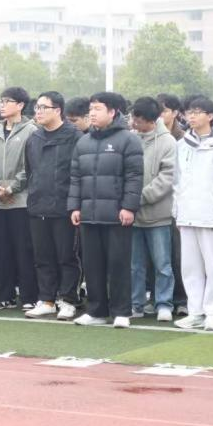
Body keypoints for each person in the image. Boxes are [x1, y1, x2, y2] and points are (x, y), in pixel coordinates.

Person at [68, 92, 144, 328]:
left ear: (112, 112)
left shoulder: (128, 140)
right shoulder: (83, 142)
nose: (92, 113)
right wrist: (75, 206)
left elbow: (134, 176)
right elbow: (76, 177)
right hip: (89, 214)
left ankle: (121, 311)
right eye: (91, 109)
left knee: (119, 264)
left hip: (117, 215)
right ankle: (96, 311)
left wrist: (129, 207)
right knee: (92, 265)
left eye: (98, 109)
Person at [171, 96, 213, 332]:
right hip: (187, 214)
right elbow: (177, 182)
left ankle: (212, 312)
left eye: (197, 112)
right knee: (190, 267)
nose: (192, 116)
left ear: (210, 116)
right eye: (189, 112)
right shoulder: (181, 145)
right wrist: (177, 212)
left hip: (211, 216)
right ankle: (195, 312)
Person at [23, 92, 82, 320]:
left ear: (58, 110)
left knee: (67, 256)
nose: (38, 112)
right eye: (36, 107)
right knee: (42, 256)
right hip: (38, 205)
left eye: (43, 107)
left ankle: (68, 300)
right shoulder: (34, 138)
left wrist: (74, 204)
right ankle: (46, 299)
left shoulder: (74, 136)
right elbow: (30, 171)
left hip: (64, 206)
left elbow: (78, 173)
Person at [0, 87, 39, 311]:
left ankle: (29, 296)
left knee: (24, 250)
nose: (2, 105)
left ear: (20, 105)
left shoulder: (31, 131)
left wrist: (12, 188)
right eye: (1, 101)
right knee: (0, 250)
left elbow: (31, 166)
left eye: (7, 101)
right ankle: (3, 295)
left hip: (21, 200)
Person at [128, 97, 177, 322]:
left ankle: (164, 303)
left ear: (152, 120)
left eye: (139, 119)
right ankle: (136, 304)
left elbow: (167, 178)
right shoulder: (130, 139)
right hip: (132, 215)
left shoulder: (168, 142)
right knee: (135, 265)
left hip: (158, 215)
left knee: (163, 264)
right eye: (134, 118)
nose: (134, 123)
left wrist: (140, 197)